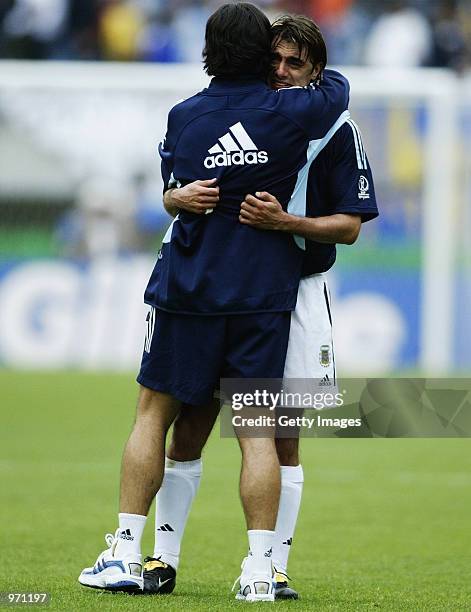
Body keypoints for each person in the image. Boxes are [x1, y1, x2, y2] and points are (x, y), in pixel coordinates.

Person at [78, 3, 349, 603]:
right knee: (257, 434)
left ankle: (124, 550)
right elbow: (339, 88)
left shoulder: (185, 117)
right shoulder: (291, 115)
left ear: (207, 51)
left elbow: (172, 183)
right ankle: (258, 572)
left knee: (155, 416)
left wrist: (177, 197)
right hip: (262, 299)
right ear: (259, 56)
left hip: (189, 292)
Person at [143, 14, 378, 600]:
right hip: (230, 294)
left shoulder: (332, 127)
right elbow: (179, 179)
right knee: (189, 426)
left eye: (294, 62)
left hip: (295, 293)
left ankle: (271, 567)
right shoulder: (249, 116)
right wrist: (173, 195)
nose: (280, 70)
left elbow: (348, 227)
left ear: (316, 70)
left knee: (278, 432)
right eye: (273, 59)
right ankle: (161, 560)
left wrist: (287, 222)